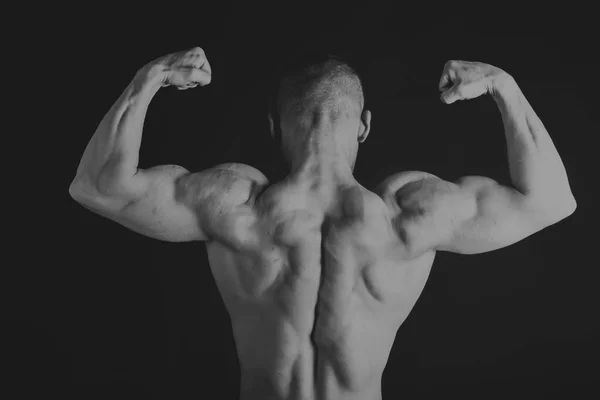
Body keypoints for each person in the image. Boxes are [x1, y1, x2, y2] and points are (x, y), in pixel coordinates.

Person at [69, 46, 576, 400]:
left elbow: (97, 186)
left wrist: (150, 78)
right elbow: (550, 200)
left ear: (273, 125)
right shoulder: (408, 214)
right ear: (364, 125)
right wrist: (501, 86)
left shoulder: (234, 203)